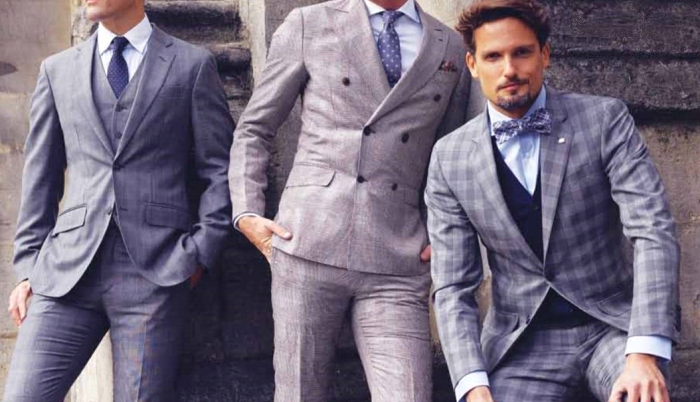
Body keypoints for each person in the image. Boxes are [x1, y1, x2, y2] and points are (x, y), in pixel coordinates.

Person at [426, 1, 680, 402]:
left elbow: (653, 231)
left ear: (544, 54)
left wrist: (644, 353)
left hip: (611, 327)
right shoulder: (449, 157)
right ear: (472, 65)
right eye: (493, 57)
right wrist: (472, 384)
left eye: (521, 52)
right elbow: (454, 286)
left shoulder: (604, 120)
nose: (509, 69)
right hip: (523, 345)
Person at [228, 0, 471, 400]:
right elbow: (254, 127)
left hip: (397, 257)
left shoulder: (450, 46)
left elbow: (451, 153)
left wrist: (440, 232)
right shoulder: (309, 23)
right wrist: (247, 212)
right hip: (307, 243)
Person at [4, 0, 234, 400]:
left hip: (155, 272)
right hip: (66, 271)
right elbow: (40, 176)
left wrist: (198, 253)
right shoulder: (57, 70)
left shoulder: (191, 65)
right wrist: (27, 269)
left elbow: (219, 170)